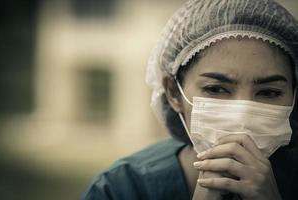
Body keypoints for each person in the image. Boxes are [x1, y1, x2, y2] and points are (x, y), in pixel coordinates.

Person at [81, 0, 298, 199]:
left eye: (269, 92)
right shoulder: (121, 189)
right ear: (174, 93)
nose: (242, 114)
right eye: (216, 89)